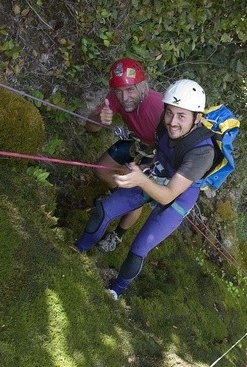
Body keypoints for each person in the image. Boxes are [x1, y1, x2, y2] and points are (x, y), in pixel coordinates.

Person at [75, 79, 215, 300]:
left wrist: (141, 179)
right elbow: (161, 153)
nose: (172, 122)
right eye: (169, 113)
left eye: (182, 116)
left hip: (180, 195)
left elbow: (168, 195)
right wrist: (144, 167)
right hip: (156, 174)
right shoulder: (164, 123)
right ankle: (77, 252)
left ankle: (116, 291)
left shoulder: (202, 153)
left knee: (140, 247)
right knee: (105, 209)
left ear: (197, 119)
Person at [85, 57, 164, 252]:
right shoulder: (114, 98)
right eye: (119, 91)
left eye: (130, 90)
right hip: (136, 142)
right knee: (100, 169)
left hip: (158, 152)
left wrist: (148, 167)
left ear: (143, 86)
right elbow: (91, 127)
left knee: (135, 192)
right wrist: (100, 118)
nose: (124, 97)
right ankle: (117, 200)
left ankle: (118, 235)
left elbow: (170, 146)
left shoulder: (159, 107)